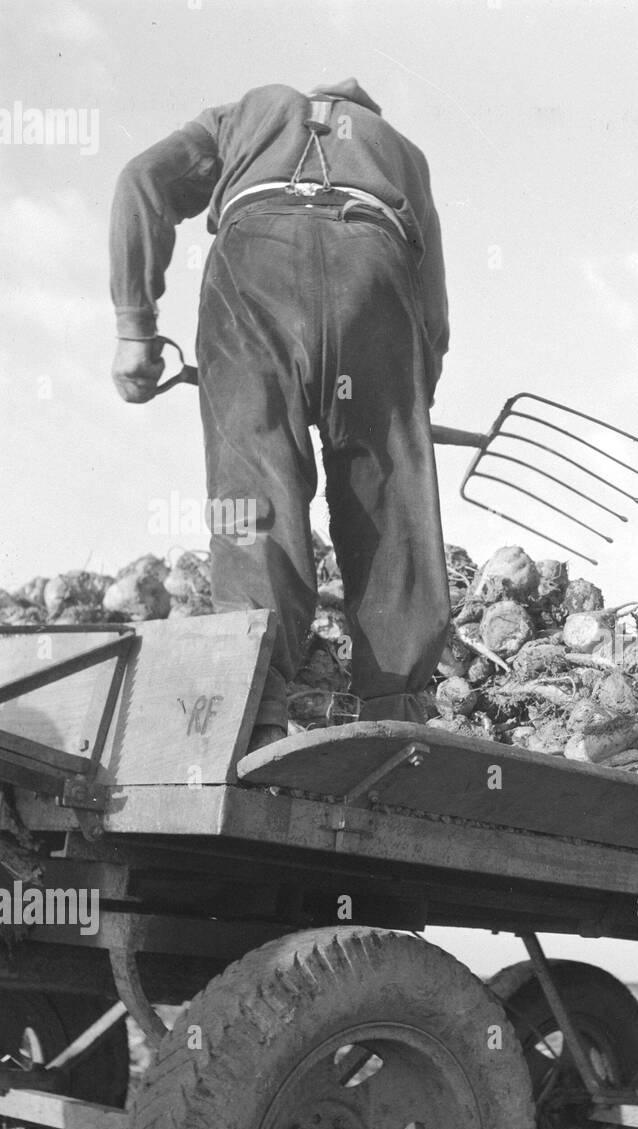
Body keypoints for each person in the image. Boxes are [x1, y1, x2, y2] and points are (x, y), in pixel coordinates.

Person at [109, 79, 451, 749]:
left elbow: (140, 180)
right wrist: (405, 402)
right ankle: (396, 721)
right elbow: (432, 310)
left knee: (253, 489)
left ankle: (256, 713)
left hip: (254, 261)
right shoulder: (401, 150)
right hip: (374, 266)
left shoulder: (239, 115)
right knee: (389, 499)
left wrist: (134, 327)